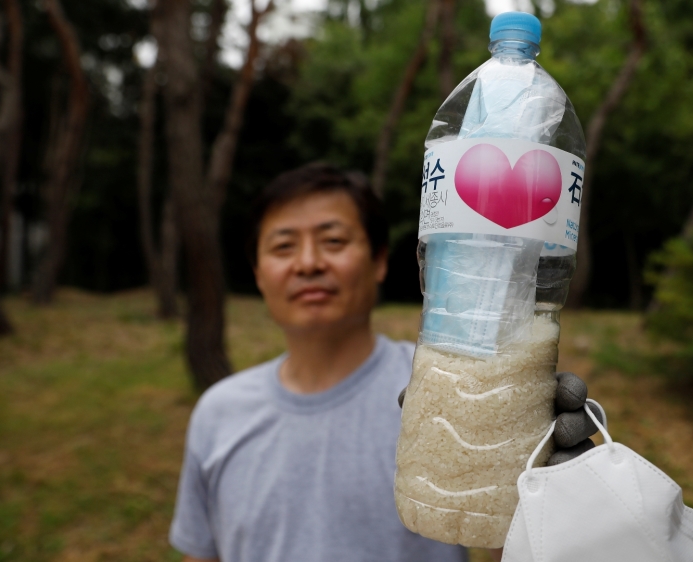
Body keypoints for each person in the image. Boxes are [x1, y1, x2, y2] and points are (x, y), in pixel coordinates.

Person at [169, 163, 599, 562]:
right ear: (258, 272)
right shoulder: (218, 413)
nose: (308, 263)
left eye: (333, 241)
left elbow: (504, 543)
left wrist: (547, 508)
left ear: (378, 260)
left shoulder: (447, 390)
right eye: (283, 246)